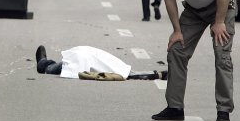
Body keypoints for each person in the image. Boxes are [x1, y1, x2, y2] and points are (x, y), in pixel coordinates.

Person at [152, 0, 236, 121]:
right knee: (177, 51)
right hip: (194, 10)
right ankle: (174, 108)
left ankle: (223, 110)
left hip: (222, 7)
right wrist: (177, 30)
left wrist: (219, 22)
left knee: (221, 54)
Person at [35, 45, 166, 80]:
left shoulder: (119, 67)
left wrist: (157, 74)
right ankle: (43, 63)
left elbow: (135, 74)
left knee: (56, 66)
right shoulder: (120, 69)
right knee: (55, 67)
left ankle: (43, 63)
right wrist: (157, 74)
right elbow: (134, 75)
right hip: (83, 56)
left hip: (84, 55)